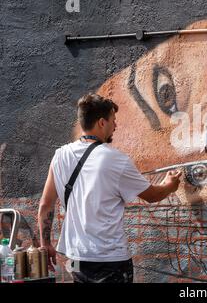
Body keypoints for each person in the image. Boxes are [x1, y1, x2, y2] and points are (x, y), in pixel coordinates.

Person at [37, 93, 181, 283]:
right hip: (110, 261)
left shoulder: (60, 156)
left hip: (77, 259)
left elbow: (45, 205)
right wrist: (170, 185)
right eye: (113, 120)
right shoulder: (115, 160)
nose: (116, 126)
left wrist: (45, 243)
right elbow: (153, 196)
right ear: (101, 123)